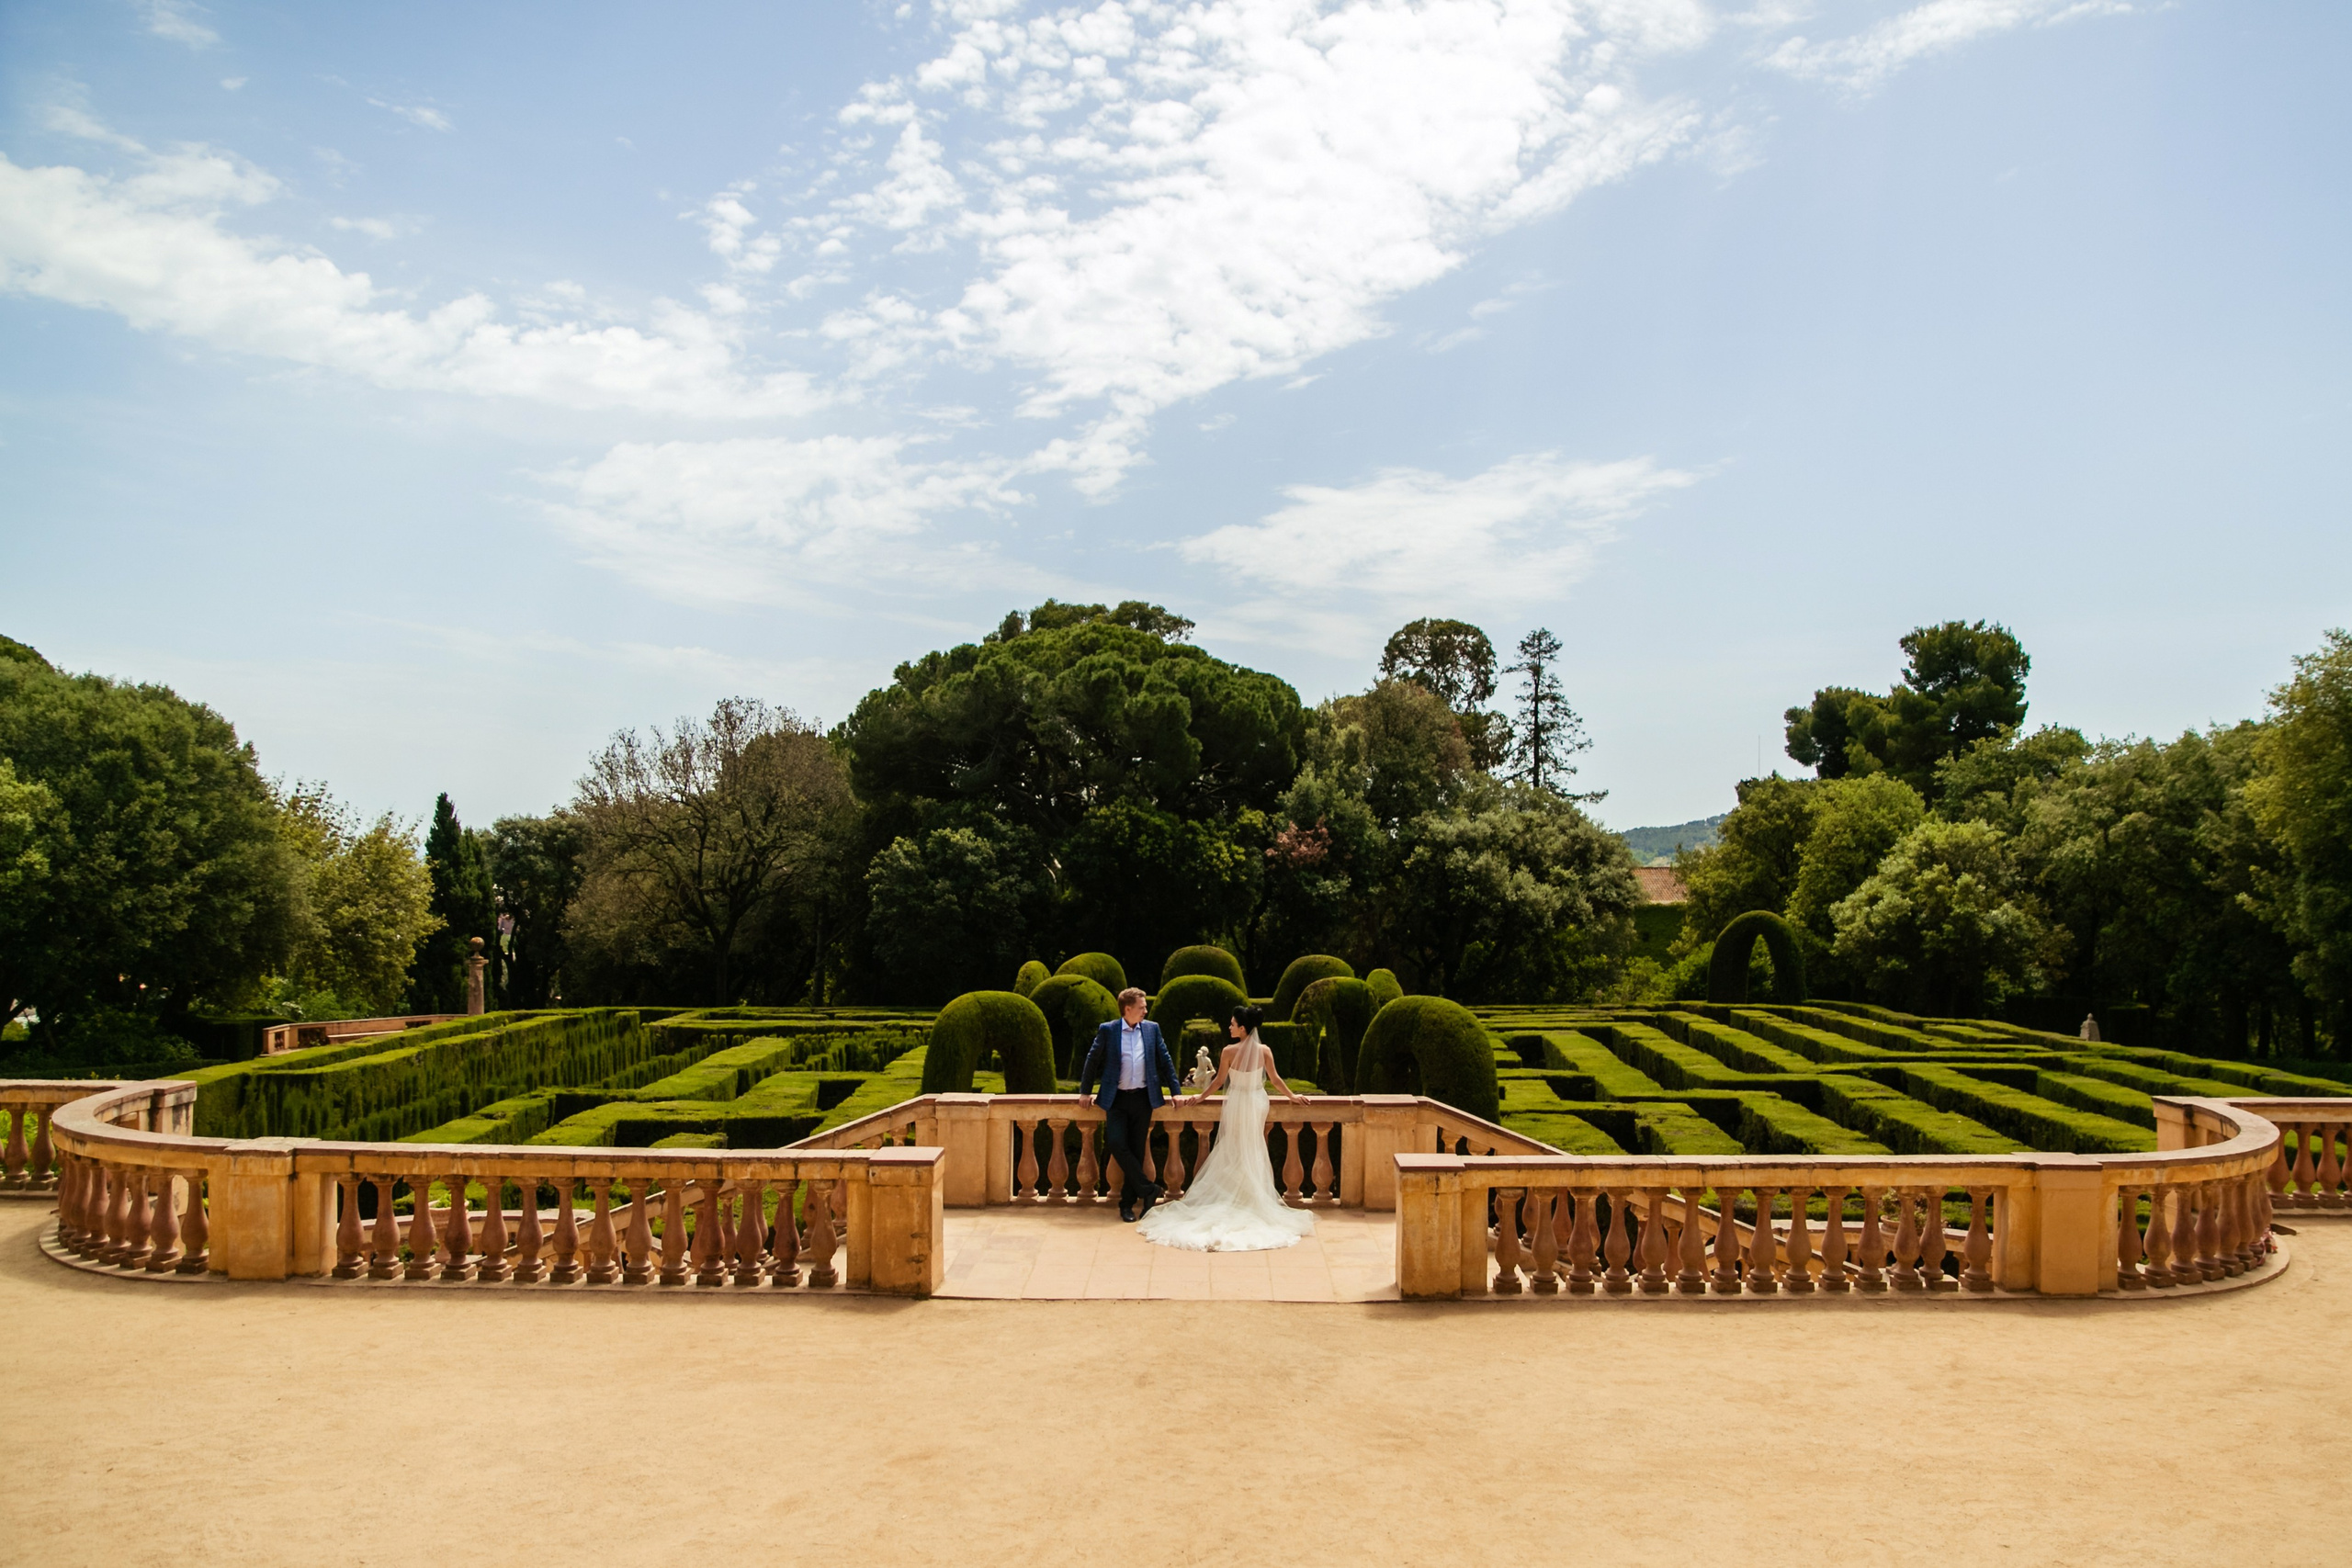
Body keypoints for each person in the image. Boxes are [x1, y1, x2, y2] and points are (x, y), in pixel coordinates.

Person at [1136, 1004, 1317, 1253]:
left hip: (1239, 1102)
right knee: (1251, 1147)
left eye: (1233, 1024)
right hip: (1256, 1101)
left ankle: (1239, 1199)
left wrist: (1200, 1097)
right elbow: (1275, 1080)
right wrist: (1292, 1096)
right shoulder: (1264, 1050)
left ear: (1243, 1028)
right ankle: (1250, 1200)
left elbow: (1219, 1082)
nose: (1229, 1027)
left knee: (1235, 1147)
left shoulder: (1229, 1051)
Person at [1077, 987, 1183, 1223]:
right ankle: (1149, 1189)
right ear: (1128, 1009)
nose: (1146, 1010)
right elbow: (1092, 1060)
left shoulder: (1152, 1029)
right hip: (1116, 1099)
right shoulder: (1109, 1030)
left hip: (1143, 1098)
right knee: (1115, 1143)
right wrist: (1085, 1091)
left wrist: (1176, 1092)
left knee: (1136, 1151)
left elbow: (1165, 1060)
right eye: (1142, 1007)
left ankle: (1129, 1204)